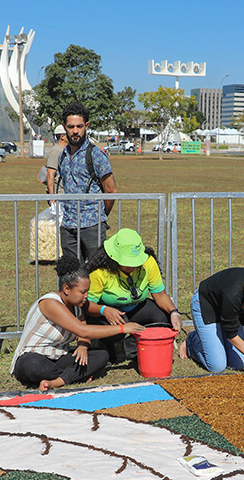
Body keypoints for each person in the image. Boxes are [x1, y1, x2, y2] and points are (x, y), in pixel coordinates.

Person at [11, 260, 142, 390]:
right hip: (33, 357)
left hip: (59, 355)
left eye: (87, 292)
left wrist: (82, 346)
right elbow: (83, 330)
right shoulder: (50, 303)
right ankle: (75, 375)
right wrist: (122, 328)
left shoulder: (77, 305)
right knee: (32, 366)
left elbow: (83, 335)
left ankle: (56, 382)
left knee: (101, 355)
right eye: (83, 292)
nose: (86, 296)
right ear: (67, 289)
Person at [84, 229, 182, 361]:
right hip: (106, 311)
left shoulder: (149, 263)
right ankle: (105, 346)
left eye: (136, 262)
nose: (132, 266)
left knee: (163, 318)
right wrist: (104, 310)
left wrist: (174, 312)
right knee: (121, 325)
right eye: (127, 262)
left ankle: (126, 349)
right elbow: (87, 304)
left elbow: (159, 295)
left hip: (136, 307)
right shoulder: (100, 272)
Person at [56, 101, 117, 268]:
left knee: (98, 274)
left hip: (92, 225)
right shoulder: (63, 155)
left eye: (79, 126)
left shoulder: (96, 155)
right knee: (71, 276)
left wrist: (99, 217)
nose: (75, 131)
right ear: (64, 127)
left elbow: (111, 191)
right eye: (71, 126)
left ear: (86, 126)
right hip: (68, 225)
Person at [42, 124, 67, 194]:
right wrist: (52, 197)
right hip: (59, 194)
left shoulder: (65, 150)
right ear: (62, 136)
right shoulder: (56, 151)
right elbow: (51, 175)